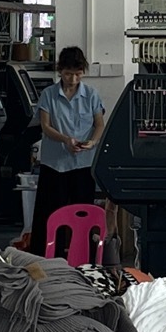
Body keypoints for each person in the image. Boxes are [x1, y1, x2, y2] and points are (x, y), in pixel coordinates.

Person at [35, 46, 106, 232]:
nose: (73, 79)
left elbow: (99, 125)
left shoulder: (91, 95)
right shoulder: (48, 94)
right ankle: (49, 250)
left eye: (78, 74)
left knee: (82, 215)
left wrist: (92, 142)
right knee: (50, 215)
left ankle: (82, 249)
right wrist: (66, 140)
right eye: (68, 74)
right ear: (60, 71)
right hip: (55, 163)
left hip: (83, 164)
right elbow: (46, 126)